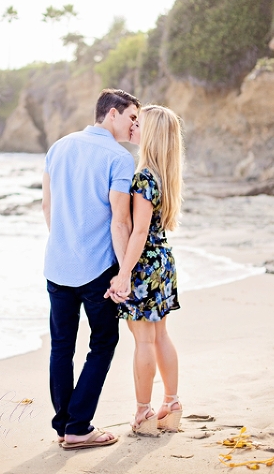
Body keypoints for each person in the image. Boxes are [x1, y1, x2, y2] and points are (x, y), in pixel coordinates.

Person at [42, 88, 140, 449]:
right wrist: (123, 273)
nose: (134, 125)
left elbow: (46, 206)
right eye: (131, 117)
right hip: (98, 269)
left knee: (61, 347)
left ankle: (63, 425)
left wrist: (64, 243)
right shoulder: (119, 158)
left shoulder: (59, 146)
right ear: (112, 113)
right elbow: (120, 221)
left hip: (57, 265)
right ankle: (78, 427)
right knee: (103, 343)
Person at [106, 105, 184, 435]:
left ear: (151, 133)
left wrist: (124, 274)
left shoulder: (142, 177)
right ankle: (172, 402)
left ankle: (143, 413)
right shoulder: (165, 174)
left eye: (139, 123)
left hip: (144, 262)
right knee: (160, 334)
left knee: (143, 340)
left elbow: (138, 231)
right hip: (163, 261)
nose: (133, 126)